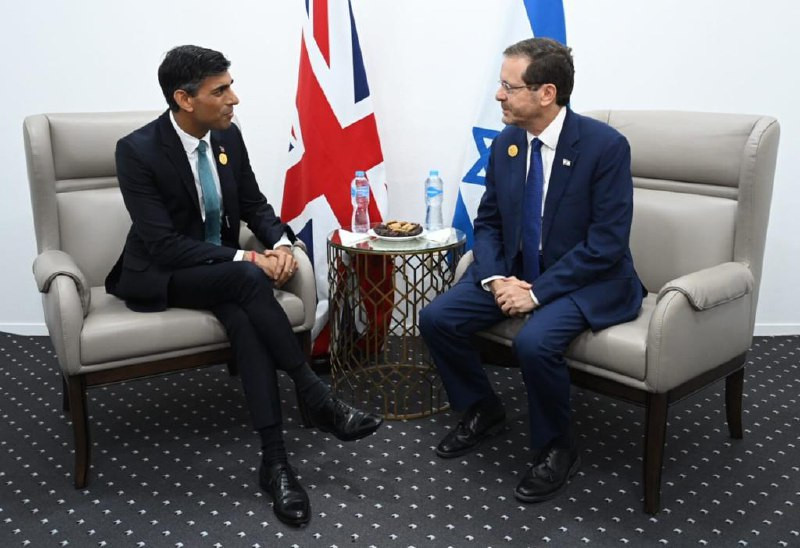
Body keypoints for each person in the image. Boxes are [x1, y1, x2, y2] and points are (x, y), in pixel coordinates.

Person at [105, 45, 383, 527]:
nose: (235, 98)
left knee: (244, 313)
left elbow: (254, 203)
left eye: (230, 85)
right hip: (161, 272)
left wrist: (278, 245)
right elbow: (165, 245)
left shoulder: (227, 136)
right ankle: (315, 394)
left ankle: (275, 463)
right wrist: (249, 257)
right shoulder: (138, 150)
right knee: (244, 276)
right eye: (221, 90)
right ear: (184, 99)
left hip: (226, 277)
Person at [419, 38, 644, 503]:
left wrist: (536, 294)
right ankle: (483, 409)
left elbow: (605, 246)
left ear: (546, 93)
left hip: (589, 281)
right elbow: (489, 223)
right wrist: (496, 277)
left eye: (508, 86)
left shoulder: (605, 148)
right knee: (438, 318)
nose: (499, 95)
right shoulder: (508, 144)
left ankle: (557, 447)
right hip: (518, 273)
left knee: (534, 342)